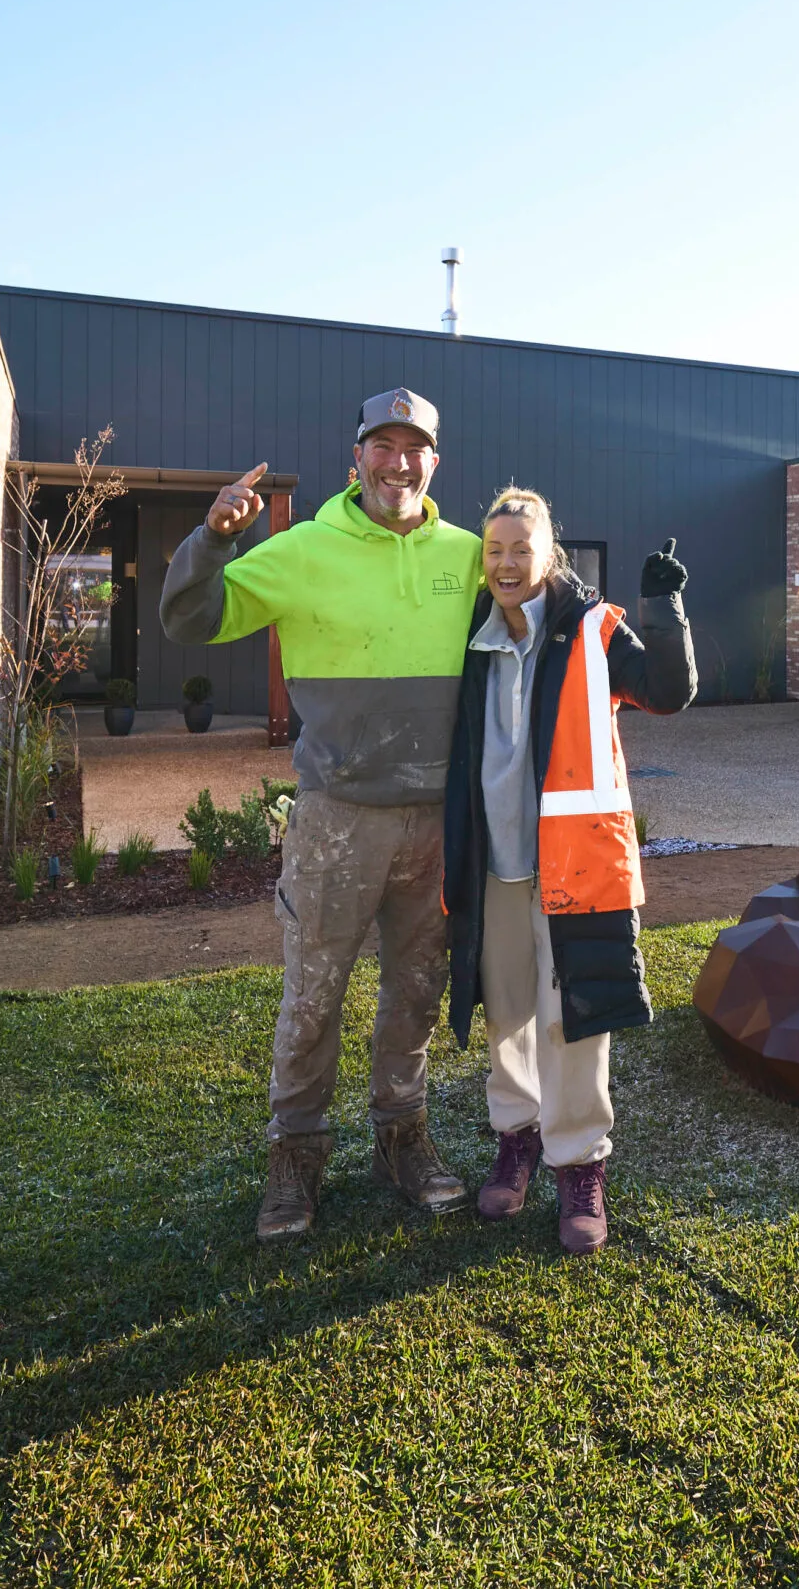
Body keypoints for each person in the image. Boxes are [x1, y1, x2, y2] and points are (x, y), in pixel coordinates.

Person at [159, 386, 479, 1242]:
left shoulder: (471, 556)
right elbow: (187, 618)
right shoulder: (302, 549)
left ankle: (401, 1139)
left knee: (416, 992)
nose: (399, 461)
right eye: (384, 443)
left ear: (434, 462)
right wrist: (215, 536)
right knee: (314, 998)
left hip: (438, 822)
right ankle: (295, 1156)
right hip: (339, 818)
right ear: (358, 456)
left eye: (415, 446)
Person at [441, 488, 695, 1256]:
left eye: (523, 549)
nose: (509, 564)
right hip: (495, 865)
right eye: (497, 551)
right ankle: (515, 1137)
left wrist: (662, 605)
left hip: (575, 867)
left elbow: (669, 691)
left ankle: (580, 1161)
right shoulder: (469, 636)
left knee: (575, 1018)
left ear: (550, 553)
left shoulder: (593, 628)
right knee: (507, 1013)